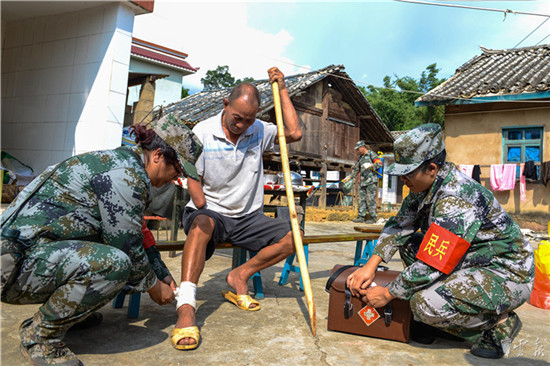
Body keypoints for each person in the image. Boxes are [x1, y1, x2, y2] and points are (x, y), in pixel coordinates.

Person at [0, 114, 202, 366]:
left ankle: (69, 313)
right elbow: (126, 245)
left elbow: (137, 233)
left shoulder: (126, 164)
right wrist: (153, 285)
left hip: (30, 256)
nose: (175, 179)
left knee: (118, 261)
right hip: (13, 268)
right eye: (177, 170)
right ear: (158, 155)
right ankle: (40, 337)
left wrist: (161, 272)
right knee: (115, 263)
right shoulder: (126, 176)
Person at [346, 123, 534, 359]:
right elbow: (399, 225)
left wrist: (387, 294)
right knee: (409, 243)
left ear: (432, 168)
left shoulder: (456, 196)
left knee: (423, 304)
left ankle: (499, 323)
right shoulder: (421, 188)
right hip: (468, 261)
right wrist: (370, 266)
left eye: (408, 173)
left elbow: (433, 261)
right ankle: (442, 315)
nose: (403, 179)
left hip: (504, 272)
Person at [171, 67, 302, 350]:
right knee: (202, 223)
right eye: (236, 118)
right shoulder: (202, 132)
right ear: (225, 105)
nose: (241, 125)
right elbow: (195, 181)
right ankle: (186, 305)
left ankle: (239, 275)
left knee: (295, 235)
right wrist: (202, 207)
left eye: (248, 120)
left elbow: (294, 132)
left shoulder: (259, 131)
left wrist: (281, 89)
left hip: (247, 216)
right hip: (211, 212)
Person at [345, 140, 382, 223]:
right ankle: (361, 217)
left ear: (362, 147)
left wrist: (371, 165)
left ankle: (373, 217)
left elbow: (379, 163)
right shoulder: (360, 158)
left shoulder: (371, 154)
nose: (357, 151)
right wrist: (350, 177)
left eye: (358, 149)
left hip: (371, 181)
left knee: (370, 199)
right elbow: (357, 169)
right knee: (361, 199)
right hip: (362, 181)